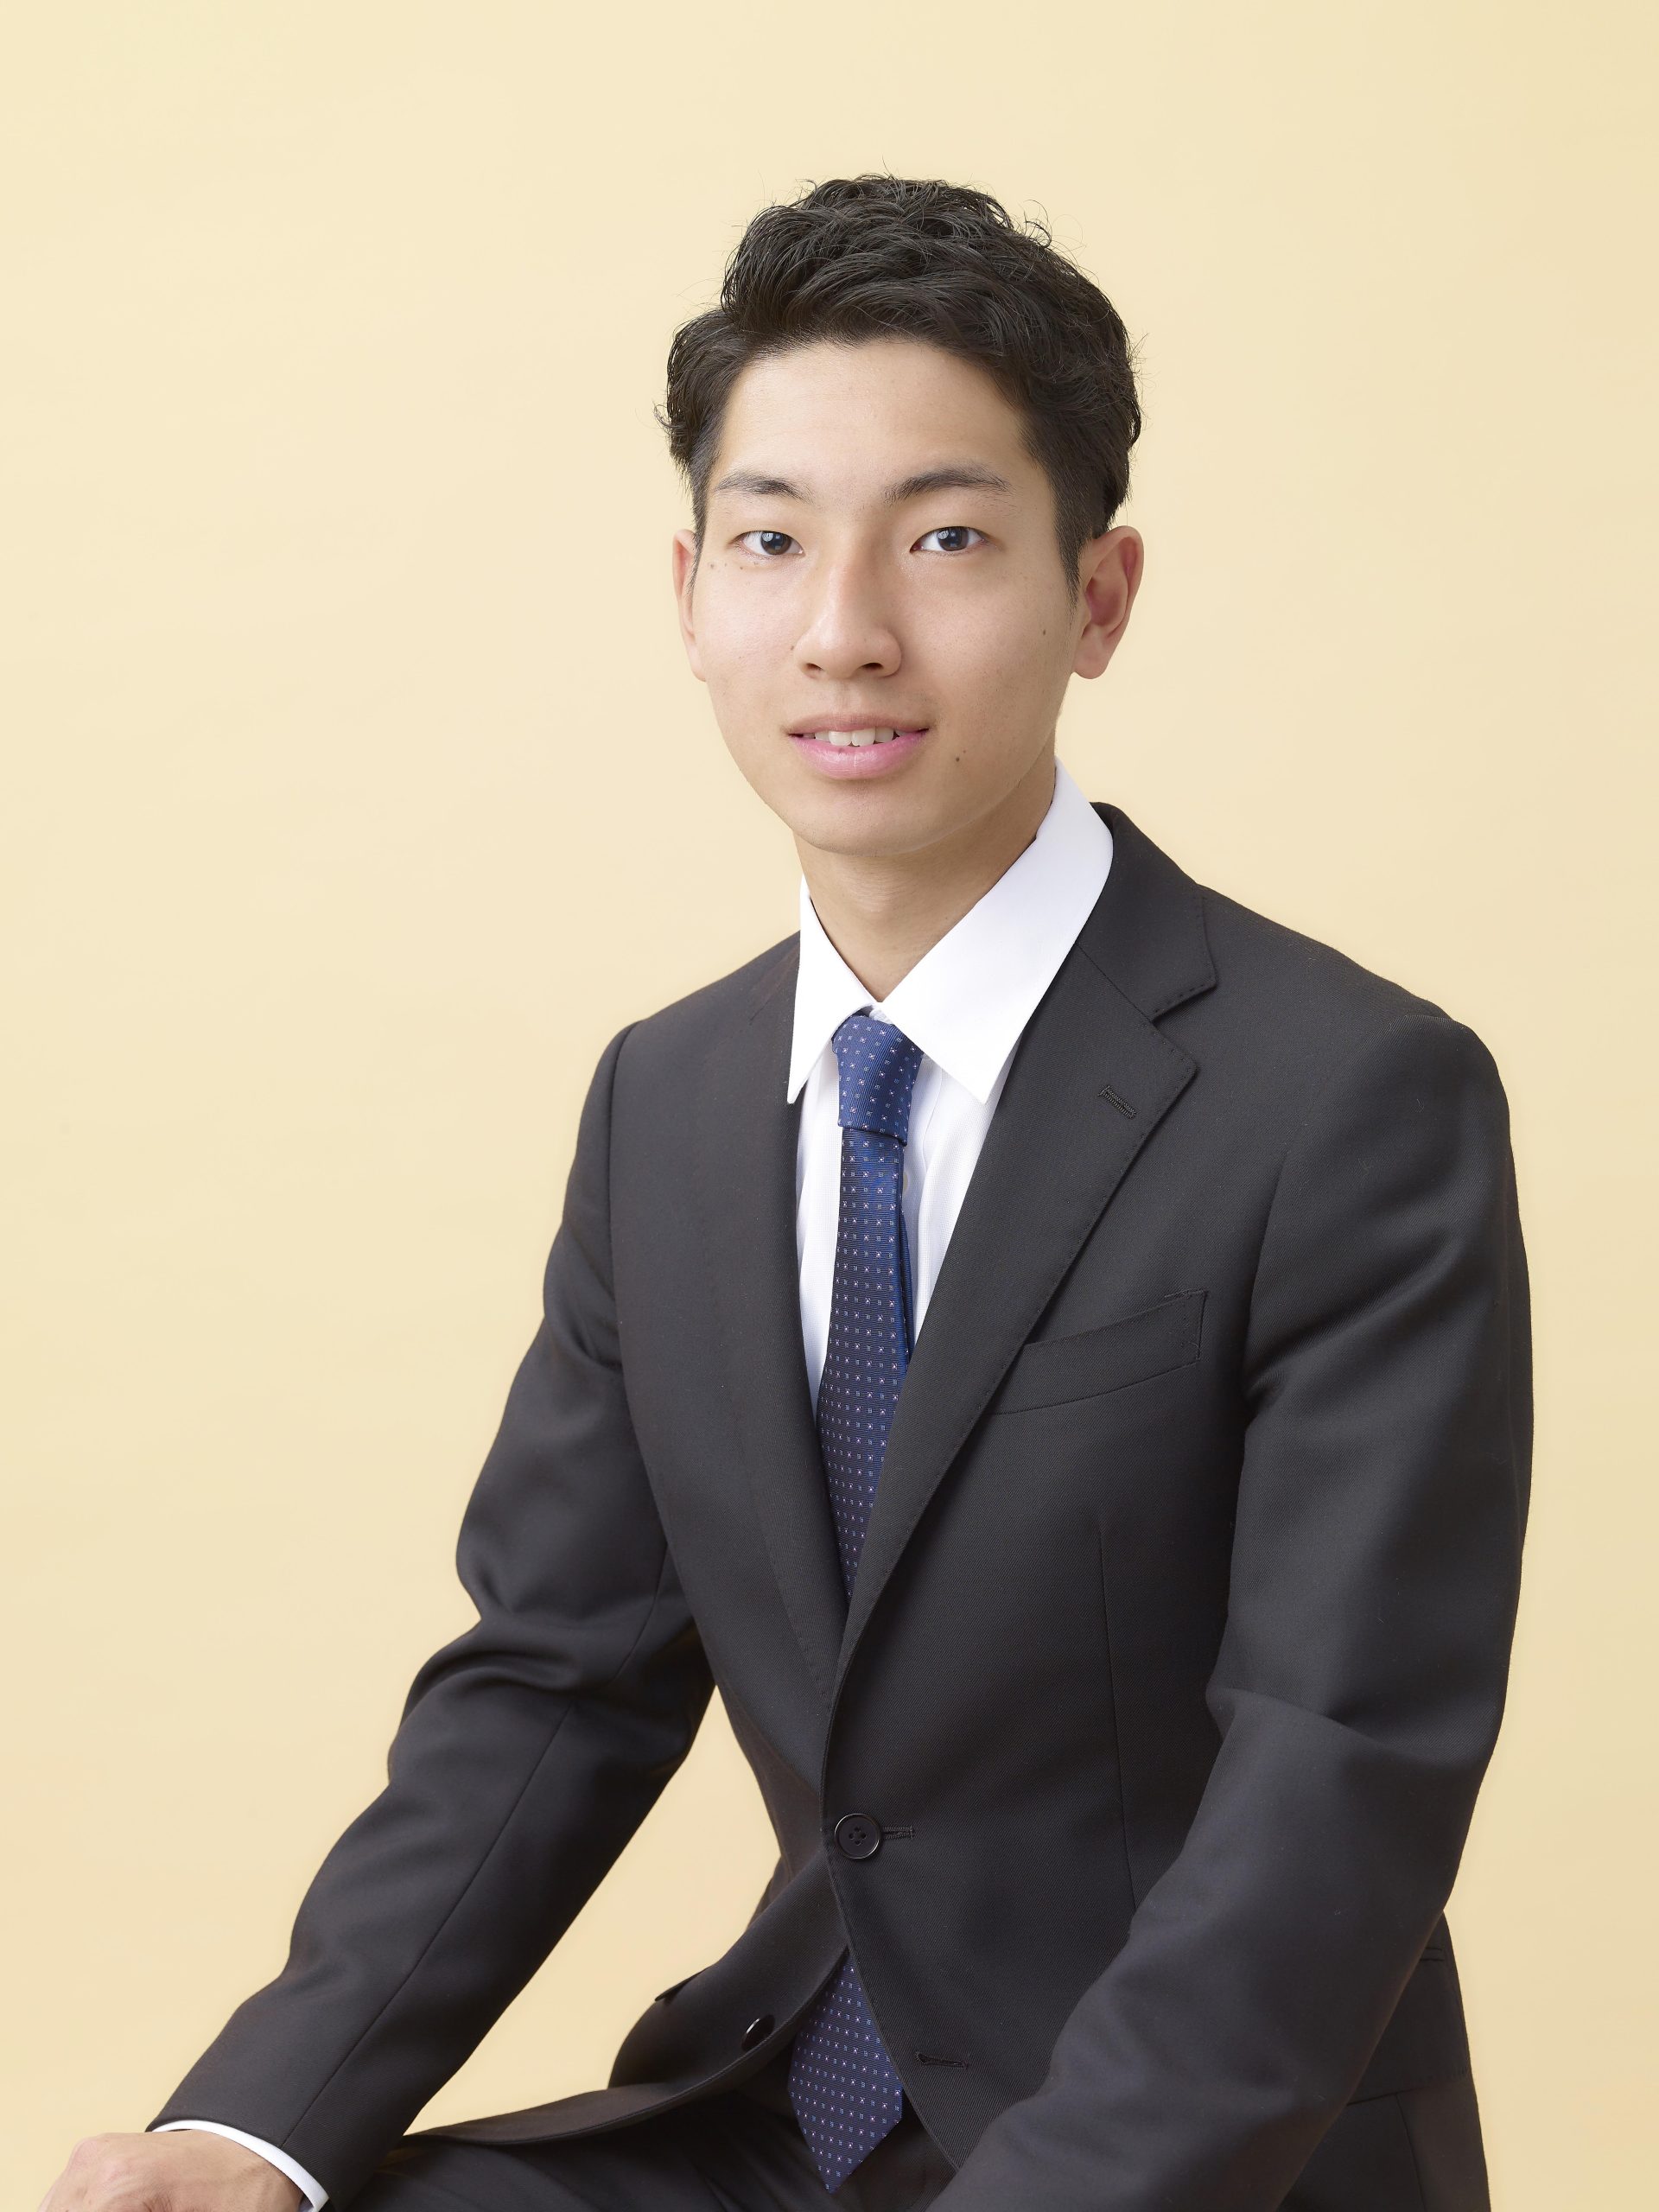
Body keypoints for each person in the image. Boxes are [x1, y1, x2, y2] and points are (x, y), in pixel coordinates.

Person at [42, 175, 1531, 2212]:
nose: (845, 628)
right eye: (770, 538)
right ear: (689, 594)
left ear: (1100, 597)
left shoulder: (1346, 1099)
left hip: (1193, 2155)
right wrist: (249, 2128)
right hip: (789, 2114)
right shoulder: (668, 1101)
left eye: (946, 536)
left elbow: (1332, 1787)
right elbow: (556, 1678)